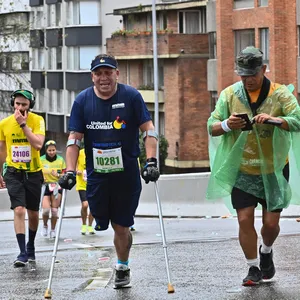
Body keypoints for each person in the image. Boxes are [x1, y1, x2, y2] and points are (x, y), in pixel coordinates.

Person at [58, 54, 160, 288]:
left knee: (121, 225)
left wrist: (151, 161)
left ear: (116, 73)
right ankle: (119, 244)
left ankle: (122, 266)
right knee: (102, 220)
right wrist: (70, 171)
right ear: (92, 76)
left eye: (108, 72)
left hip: (126, 175)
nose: (103, 78)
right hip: (97, 177)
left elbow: (149, 130)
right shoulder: (82, 101)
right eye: (98, 73)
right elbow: (75, 140)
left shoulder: (131, 97)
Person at [206, 46, 300, 286]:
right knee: (244, 219)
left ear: (264, 70)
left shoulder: (280, 94)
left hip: (274, 169)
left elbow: (297, 119)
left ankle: (266, 251)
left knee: (271, 224)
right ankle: (252, 268)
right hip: (243, 169)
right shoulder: (229, 95)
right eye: (243, 75)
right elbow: (212, 125)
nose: (247, 80)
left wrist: (275, 120)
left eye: (252, 75)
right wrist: (228, 124)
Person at [0, 89, 45, 267]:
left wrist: (24, 125)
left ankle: (31, 245)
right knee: (19, 209)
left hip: (33, 172)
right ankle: (22, 253)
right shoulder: (4, 123)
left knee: (33, 213)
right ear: (13, 104)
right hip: (13, 171)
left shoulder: (37, 120)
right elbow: (2, 149)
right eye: (17, 104)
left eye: (24, 105)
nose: (20, 108)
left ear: (30, 106)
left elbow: (38, 144)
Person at [40, 140, 66, 239]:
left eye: (53, 150)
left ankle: (53, 229)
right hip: (45, 186)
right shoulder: (41, 159)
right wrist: (41, 178)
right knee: (46, 210)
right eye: (49, 150)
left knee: (54, 211)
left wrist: (58, 175)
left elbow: (65, 174)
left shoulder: (60, 160)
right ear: (46, 150)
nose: (51, 152)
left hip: (56, 186)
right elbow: (36, 172)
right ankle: (45, 225)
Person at [76, 147, 95, 235]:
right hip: (82, 184)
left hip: (93, 183)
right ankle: (84, 224)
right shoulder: (80, 153)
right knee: (85, 205)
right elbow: (75, 164)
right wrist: (77, 170)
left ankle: (90, 225)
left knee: (93, 206)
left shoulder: (95, 151)